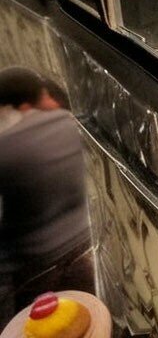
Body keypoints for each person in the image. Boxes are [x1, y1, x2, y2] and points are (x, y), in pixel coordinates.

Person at [0, 68, 93, 321]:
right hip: (84, 250)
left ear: (11, 107)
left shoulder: (6, 148)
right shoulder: (71, 124)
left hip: (35, 271)